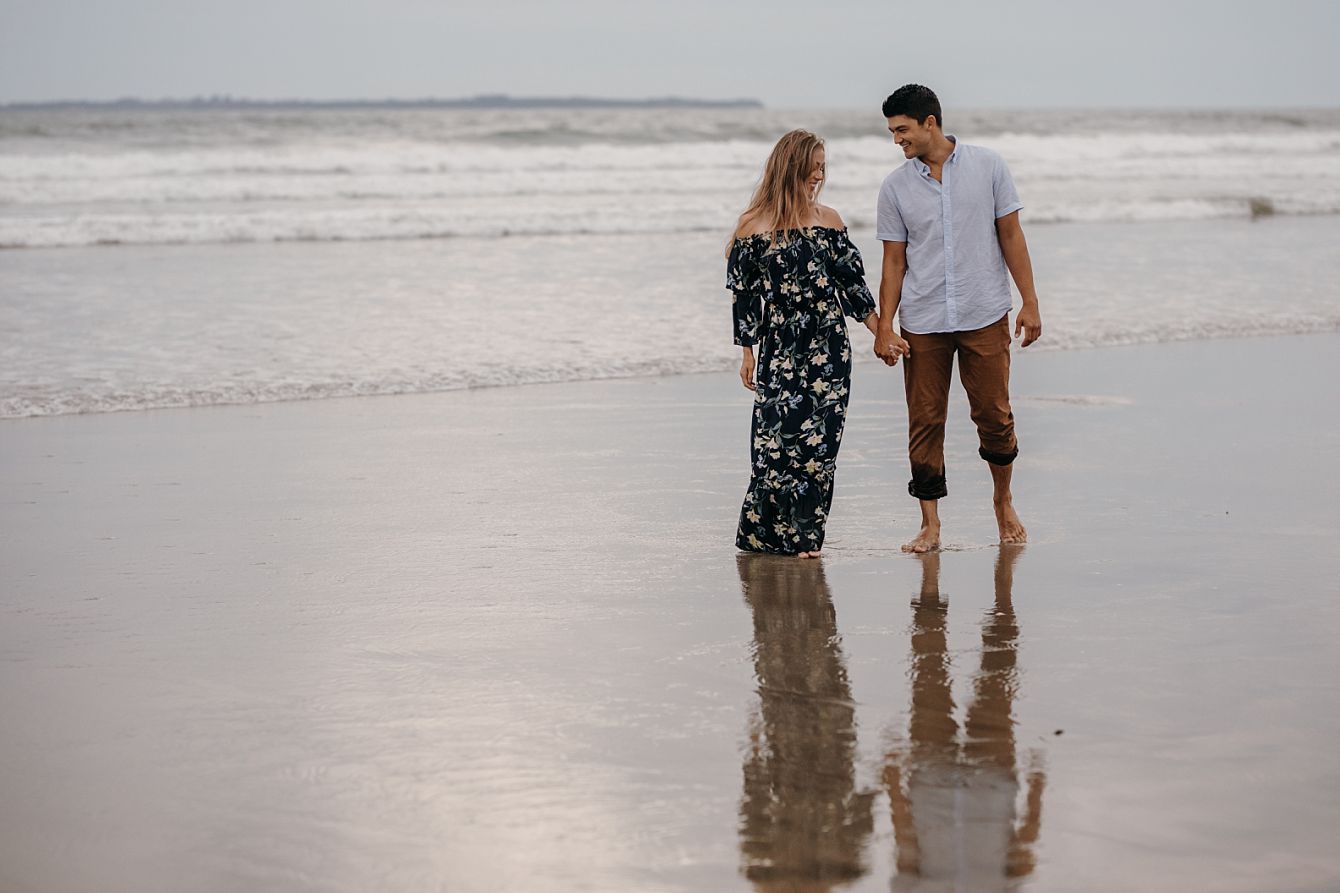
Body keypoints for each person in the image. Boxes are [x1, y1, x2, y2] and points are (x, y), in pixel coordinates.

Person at [871, 84, 1043, 552]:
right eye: (891, 132)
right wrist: (884, 325)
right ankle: (930, 524)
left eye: (902, 129)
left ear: (930, 123)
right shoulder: (895, 187)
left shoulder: (989, 166)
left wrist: (1029, 300)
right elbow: (892, 261)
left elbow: (1011, 234)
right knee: (925, 420)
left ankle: (1003, 501)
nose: (896, 141)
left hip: (984, 311)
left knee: (994, 414)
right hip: (923, 319)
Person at [728, 129, 880, 558]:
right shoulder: (752, 225)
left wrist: (881, 331)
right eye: (815, 165)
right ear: (792, 165)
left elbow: (853, 286)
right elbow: (744, 295)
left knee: (818, 447)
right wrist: (747, 352)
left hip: (828, 346)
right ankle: (762, 537)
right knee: (773, 443)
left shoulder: (828, 220)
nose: (820, 174)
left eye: (824, 167)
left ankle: (806, 539)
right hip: (778, 346)